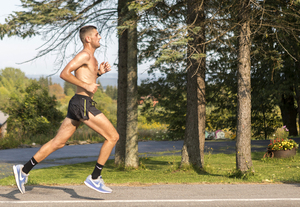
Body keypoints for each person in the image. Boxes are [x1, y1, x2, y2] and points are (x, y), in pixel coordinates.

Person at [13, 25, 119, 194]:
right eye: (97, 35)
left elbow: (86, 78)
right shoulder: (84, 55)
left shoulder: (92, 58)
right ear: (88, 38)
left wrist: (99, 73)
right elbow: (64, 73)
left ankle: (23, 170)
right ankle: (95, 177)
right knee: (113, 136)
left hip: (79, 103)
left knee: (58, 142)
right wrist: (86, 85)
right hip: (83, 103)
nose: (100, 37)